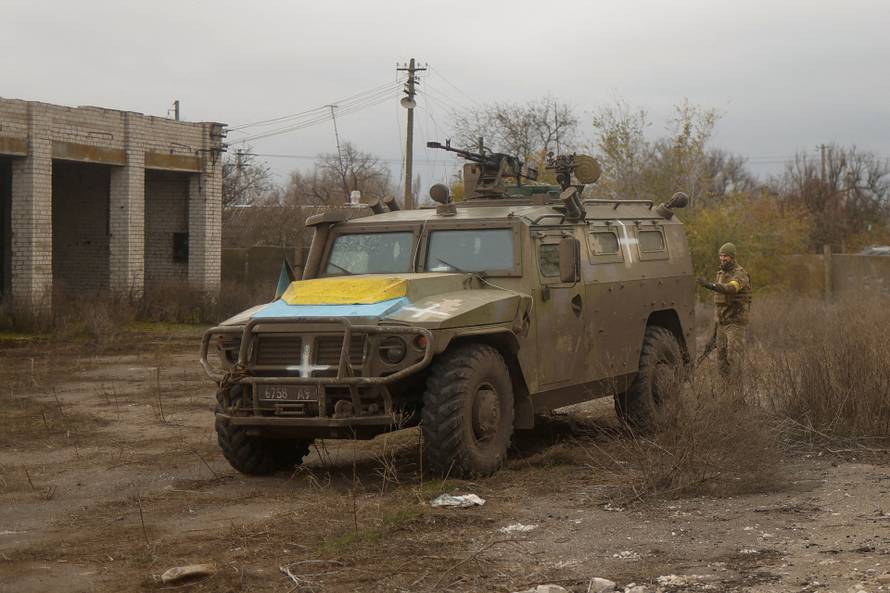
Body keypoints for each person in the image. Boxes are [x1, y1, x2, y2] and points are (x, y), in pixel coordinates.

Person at [697, 242, 752, 378]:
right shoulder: (720, 273)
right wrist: (716, 329)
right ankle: (726, 396)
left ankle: (737, 396)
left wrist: (710, 285)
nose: (722, 259)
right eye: (721, 256)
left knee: (734, 360)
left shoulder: (740, 274)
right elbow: (720, 303)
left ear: (732, 257)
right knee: (721, 363)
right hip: (721, 324)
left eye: (726, 256)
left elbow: (731, 289)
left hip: (735, 323)